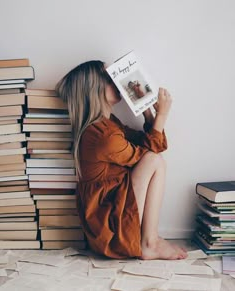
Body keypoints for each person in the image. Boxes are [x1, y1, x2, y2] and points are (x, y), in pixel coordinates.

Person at [56, 60, 188, 260]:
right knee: (153, 160)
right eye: (110, 79)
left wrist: (146, 110)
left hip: (112, 214)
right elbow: (148, 154)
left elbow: (153, 143)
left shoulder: (108, 124)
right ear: (94, 90)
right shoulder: (102, 136)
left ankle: (148, 239)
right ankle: (149, 242)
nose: (118, 82)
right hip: (109, 228)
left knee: (154, 158)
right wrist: (162, 115)